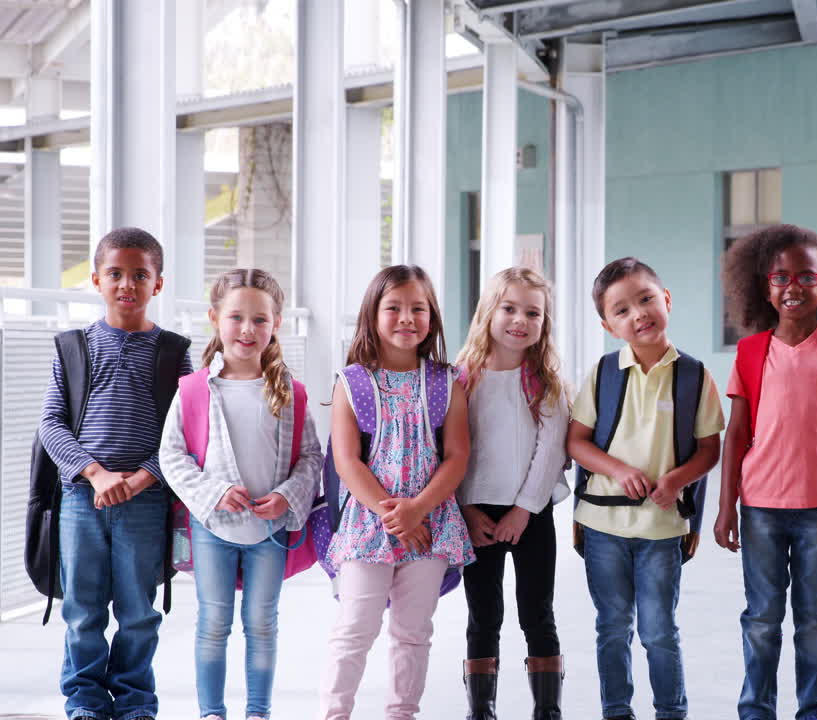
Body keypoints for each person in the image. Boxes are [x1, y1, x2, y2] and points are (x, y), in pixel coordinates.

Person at [715, 224, 817, 720]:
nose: (793, 287)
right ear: (765, 287)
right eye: (780, 277)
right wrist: (726, 509)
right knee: (762, 620)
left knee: (813, 621)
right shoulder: (749, 353)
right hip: (760, 508)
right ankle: (756, 711)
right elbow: (736, 436)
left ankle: (814, 712)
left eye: (807, 277)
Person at [38, 227, 193, 720]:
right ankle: (83, 701)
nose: (127, 284)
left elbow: (185, 428)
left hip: (145, 502)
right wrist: (96, 474)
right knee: (82, 611)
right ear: (96, 280)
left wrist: (144, 477)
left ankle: (134, 702)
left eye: (140, 275)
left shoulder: (173, 351)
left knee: (138, 613)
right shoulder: (72, 347)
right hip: (82, 500)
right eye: (116, 274)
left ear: (158, 284)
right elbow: (50, 423)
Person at [159, 268, 323, 720]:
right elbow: (171, 455)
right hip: (211, 526)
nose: (247, 330)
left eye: (260, 320)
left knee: (262, 625)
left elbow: (311, 456)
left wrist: (289, 495)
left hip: (268, 529)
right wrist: (212, 492)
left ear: (276, 325)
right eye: (236, 318)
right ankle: (211, 712)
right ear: (214, 318)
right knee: (213, 622)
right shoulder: (192, 390)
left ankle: (258, 712)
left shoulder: (291, 393)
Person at [567, 257, 724, 720]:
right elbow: (576, 442)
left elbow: (709, 450)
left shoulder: (694, 377)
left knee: (659, 631)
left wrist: (676, 480)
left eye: (646, 299)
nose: (638, 314)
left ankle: (670, 712)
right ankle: (617, 711)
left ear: (666, 300)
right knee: (612, 627)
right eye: (622, 310)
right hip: (602, 525)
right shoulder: (602, 374)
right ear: (608, 326)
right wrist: (617, 469)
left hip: (662, 528)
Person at [319, 265, 475, 720]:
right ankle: (335, 714)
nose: (406, 317)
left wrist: (418, 510)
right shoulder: (352, 382)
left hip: (430, 526)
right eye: (394, 308)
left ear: (432, 318)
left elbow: (457, 455)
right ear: (372, 315)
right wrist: (394, 515)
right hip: (370, 526)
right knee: (354, 629)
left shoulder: (448, 382)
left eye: (417, 309)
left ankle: (402, 713)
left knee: (413, 631)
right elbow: (346, 460)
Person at [455, 267, 571, 720]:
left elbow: (549, 452)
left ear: (544, 324)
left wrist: (523, 510)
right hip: (477, 515)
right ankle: (481, 710)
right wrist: (465, 507)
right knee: (483, 617)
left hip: (531, 514)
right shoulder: (462, 379)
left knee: (537, 613)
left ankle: (547, 710)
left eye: (532, 312)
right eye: (509, 308)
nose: (519, 319)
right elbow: (454, 448)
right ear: (489, 312)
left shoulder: (546, 383)